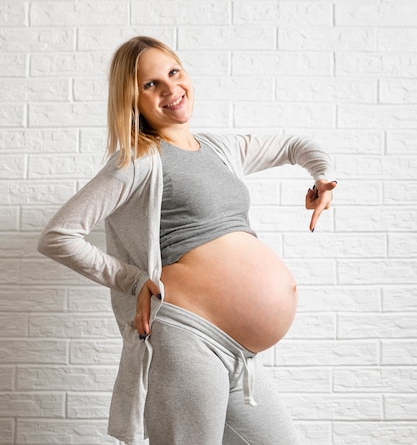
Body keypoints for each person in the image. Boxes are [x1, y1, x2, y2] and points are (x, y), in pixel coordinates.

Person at [38, 35, 337, 445]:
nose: (169, 89)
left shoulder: (219, 149)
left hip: (238, 353)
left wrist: (321, 177)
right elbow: (59, 235)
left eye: (173, 73)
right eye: (150, 85)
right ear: (132, 100)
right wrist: (133, 280)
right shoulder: (139, 160)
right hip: (187, 337)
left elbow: (293, 144)